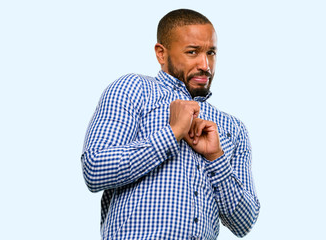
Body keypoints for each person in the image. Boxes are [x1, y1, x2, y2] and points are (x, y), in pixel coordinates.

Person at [81, 9, 260, 240]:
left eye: (211, 53)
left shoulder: (233, 128)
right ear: (161, 54)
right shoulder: (133, 89)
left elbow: (244, 222)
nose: (205, 64)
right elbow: (95, 169)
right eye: (192, 52)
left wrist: (215, 157)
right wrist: (172, 133)